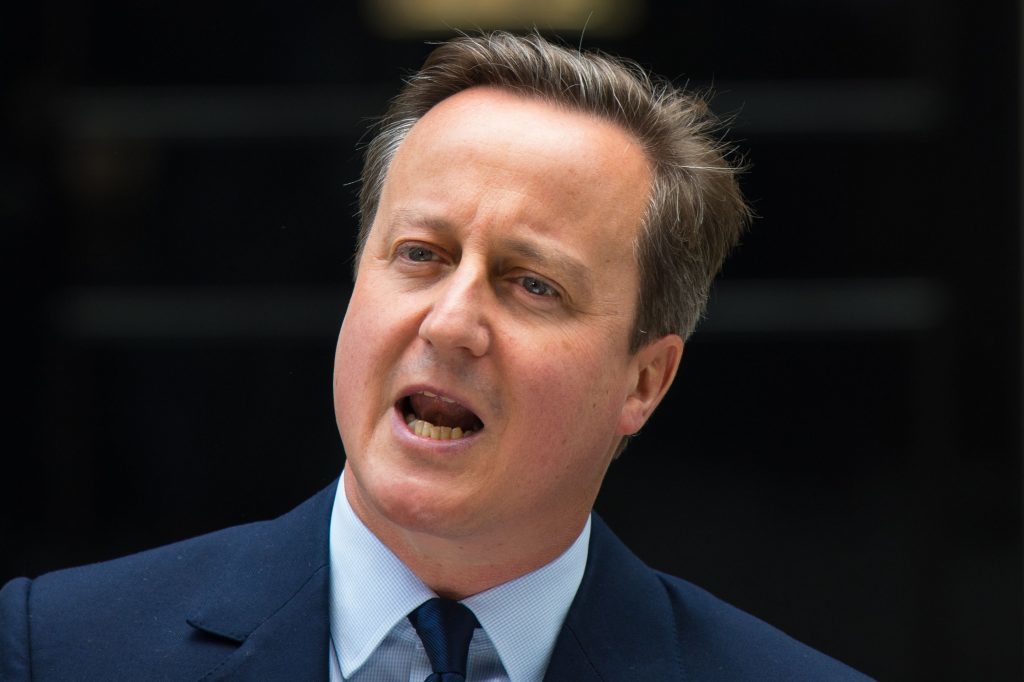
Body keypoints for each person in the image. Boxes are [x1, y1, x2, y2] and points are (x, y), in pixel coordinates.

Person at [0, 32, 871, 681]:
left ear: (645, 380)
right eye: (421, 254)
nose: (451, 323)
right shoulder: (57, 647)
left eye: (533, 285)